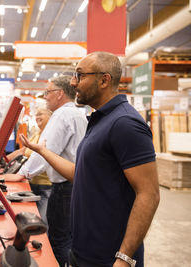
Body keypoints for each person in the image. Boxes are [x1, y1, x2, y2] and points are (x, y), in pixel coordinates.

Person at [20, 51, 160, 267]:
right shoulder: (99, 120)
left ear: (104, 79)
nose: (74, 83)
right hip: (82, 251)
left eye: (80, 75)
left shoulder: (125, 123)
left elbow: (149, 194)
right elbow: (82, 174)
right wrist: (43, 151)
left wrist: (123, 258)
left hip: (108, 257)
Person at [5, 75, 88, 267]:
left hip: (63, 188)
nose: (45, 96)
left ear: (60, 94)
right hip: (75, 186)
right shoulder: (78, 113)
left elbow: (45, 150)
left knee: (58, 241)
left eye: (48, 92)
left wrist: (22, 173)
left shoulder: (61, 115)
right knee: (68, 238)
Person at [2, 107, 52, 225]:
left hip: (46, 186)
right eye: (36, 115)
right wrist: (1, 161)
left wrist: (17, 175)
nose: (37, 117)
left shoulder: (49, 136)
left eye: (41, 114)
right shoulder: (37, 134)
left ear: (50, 117)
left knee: (43, 221)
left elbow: (40, 157)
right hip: (32, 183)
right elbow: (23, 151)